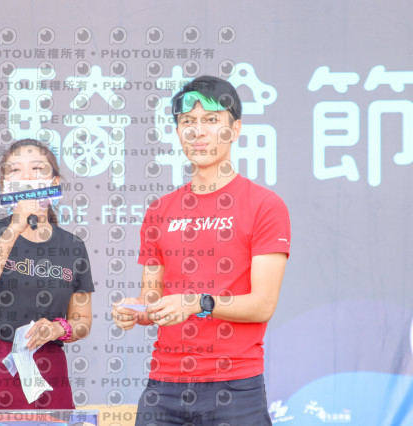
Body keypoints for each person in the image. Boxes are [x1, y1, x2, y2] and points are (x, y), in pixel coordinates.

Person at [112, 76, 290, 425]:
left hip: (235, 386)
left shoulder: (264, 205)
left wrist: (198, 303)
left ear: (235, 129)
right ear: (178, 131)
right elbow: (153, 299)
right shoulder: (160, 210)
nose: (198, 131)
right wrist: (136, 311)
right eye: (187, 122)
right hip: (163, 386)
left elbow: (263, 305)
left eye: (211, 120)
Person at [0, 139, 94, 426]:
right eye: (14, 170)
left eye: (37, 169)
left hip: (48, 370)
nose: (26, 177)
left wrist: (57, 329)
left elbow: (82, 321)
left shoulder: (73, 246)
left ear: (54, 182)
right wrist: (15, 227)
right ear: (4, 186)